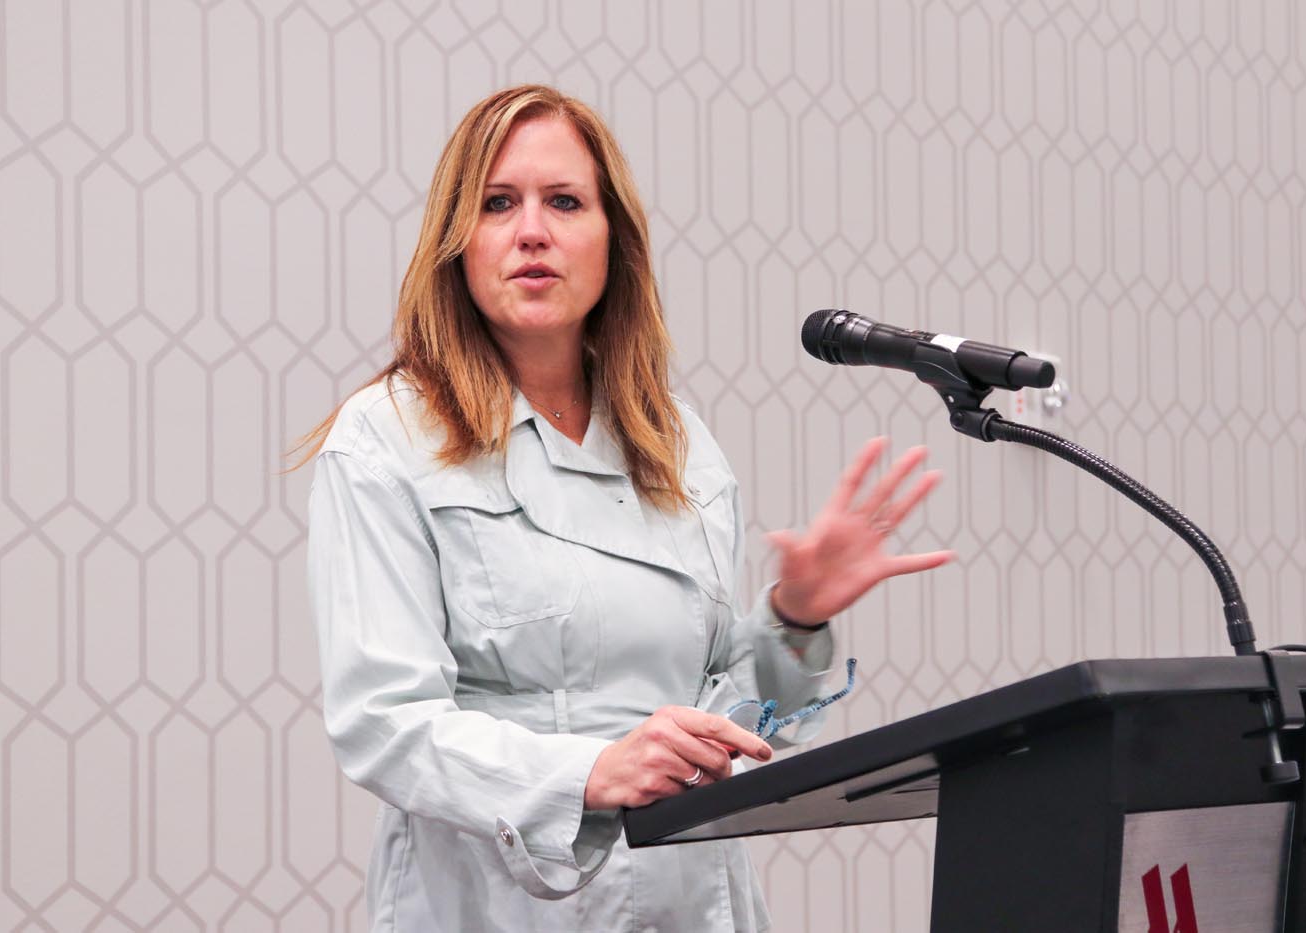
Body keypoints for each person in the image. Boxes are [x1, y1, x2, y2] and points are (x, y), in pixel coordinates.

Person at [296, 84, 953, 932]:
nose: (532, 230)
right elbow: (384, 724)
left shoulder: (680, 449)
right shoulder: (386, 438)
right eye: (498, 203)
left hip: (695, 902)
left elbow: (732, 728)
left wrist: (794, 620)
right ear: (456, 241)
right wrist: (592, 771)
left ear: (613, 241)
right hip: (500, 908)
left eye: (565, 201)